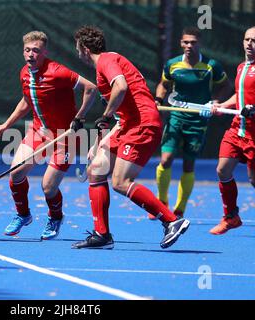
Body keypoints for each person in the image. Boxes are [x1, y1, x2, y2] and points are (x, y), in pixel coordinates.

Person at [72, 25, 190, 249]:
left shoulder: (106, 61)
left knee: (120, 182)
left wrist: (105, 116)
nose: (78, 53)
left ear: (85, 49)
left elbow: (122, 87)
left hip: (142, 125)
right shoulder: (108, 64)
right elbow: (120, 114)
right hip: (128, 125)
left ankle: (172, 221)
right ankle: (102, 235)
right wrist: (97, 144)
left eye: (78, 49)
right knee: (95, 170)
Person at [0, 31, 97, 240]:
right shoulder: (24, 73)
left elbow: (91, 88)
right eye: (27, 50)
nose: (31, 54)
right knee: (16, 173)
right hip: (38, 131)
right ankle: (23, 215)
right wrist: (6, 124)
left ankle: (55, 217)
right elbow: (27, 101)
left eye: (36, 50)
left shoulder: (58, 71)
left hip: (65, 137)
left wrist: (80, 117)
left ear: (44, 52)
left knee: (48, 186)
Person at [153, 27, 232, 219]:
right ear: (181, 43)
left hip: (198, 121)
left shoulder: (212, 66)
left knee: (188, 165)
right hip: (176, 117)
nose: (189, 46)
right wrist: (158, 100)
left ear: (200, 43)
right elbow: (164, 85)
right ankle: (161, 202)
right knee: (166, 159)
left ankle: (179, 209)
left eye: (193, 42)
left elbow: (226, 86)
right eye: (185, 42)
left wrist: (215, 102)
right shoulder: (172, 65)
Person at [209, 26, 255, 237]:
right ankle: (231, 216)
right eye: (247, 40)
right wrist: (222, 106)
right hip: (236, 130)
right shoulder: (242, 67)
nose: (250, 44)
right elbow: (239, 97)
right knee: (222, 170)